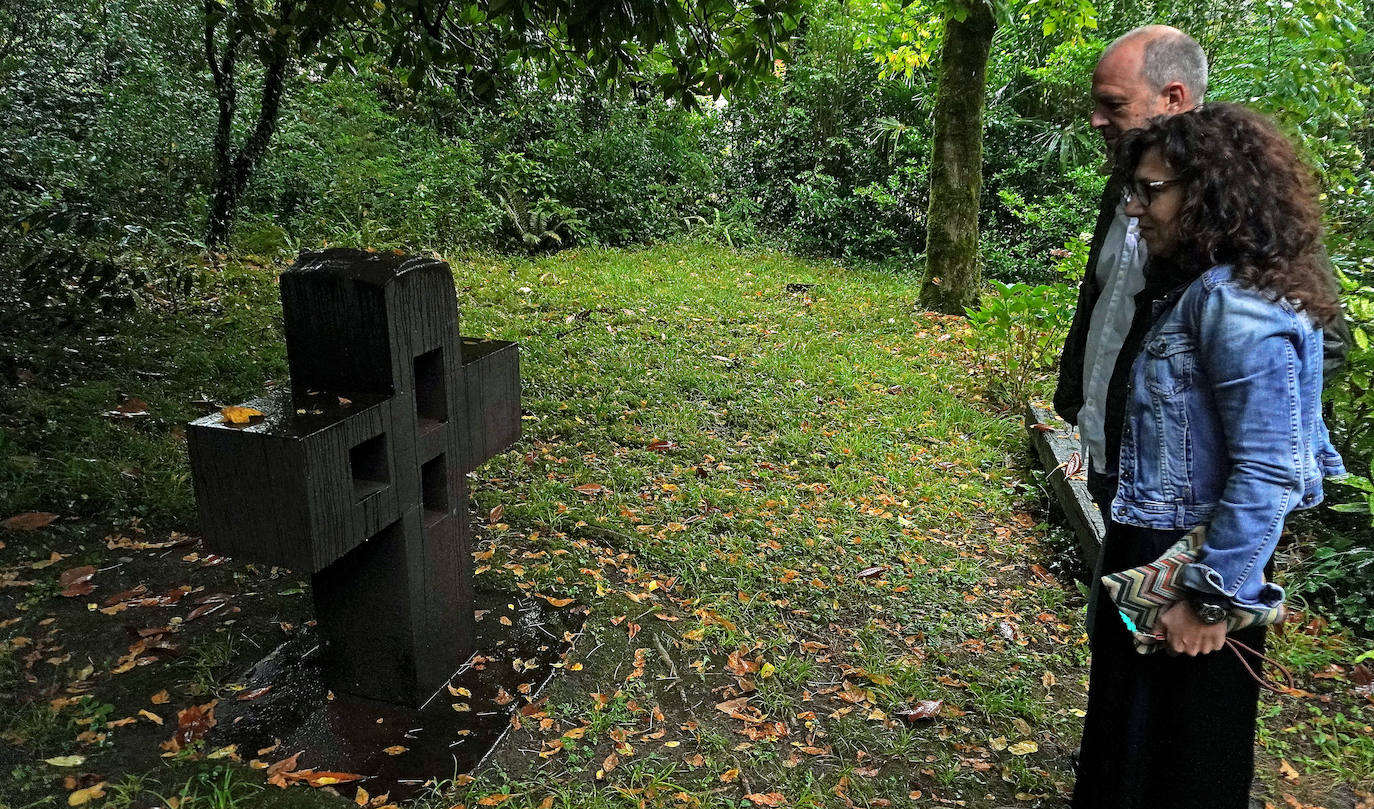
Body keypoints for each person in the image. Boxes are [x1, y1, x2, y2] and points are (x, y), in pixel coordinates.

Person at [1072, 103, 1346, 809]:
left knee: (1182, 761)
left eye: (1151, 190)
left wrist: (1211, 596)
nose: (1136, 208)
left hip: (1195, 557)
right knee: (1134, 745)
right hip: (1170, 542)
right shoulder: (1211, 285)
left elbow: (1271, 467)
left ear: (1211, 193)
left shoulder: (1240, 302)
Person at [1054, 25, 1208, 516]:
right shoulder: (1121, 189)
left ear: (1173, 98)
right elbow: (1105, 299)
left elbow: (1312, 339)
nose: (1097, 120)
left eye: (1114, 105)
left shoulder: (1231, 206)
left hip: (1178, 486)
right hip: (1107, 446)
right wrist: (1077, 398)